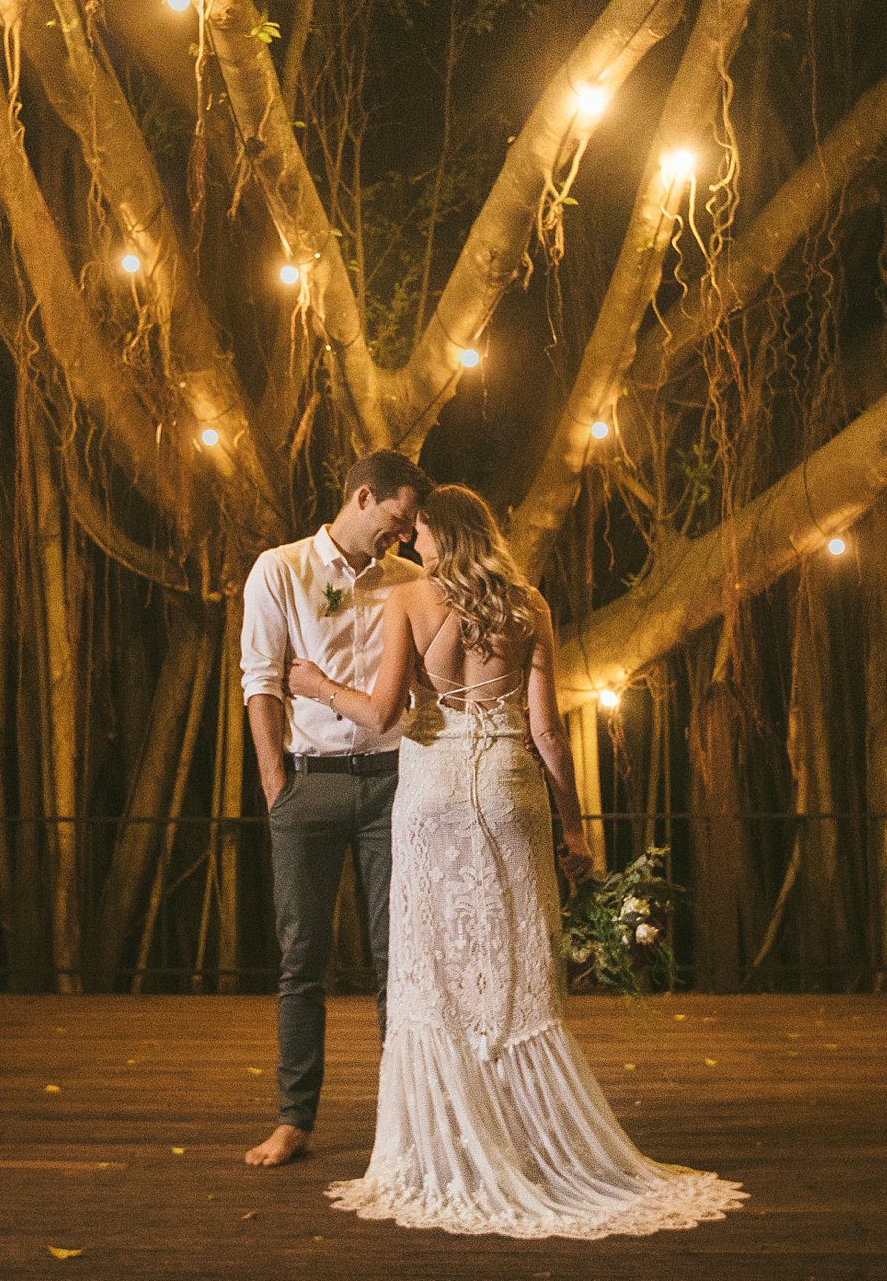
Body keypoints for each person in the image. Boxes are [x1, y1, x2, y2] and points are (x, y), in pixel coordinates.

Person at [285, 484, 744, 1238]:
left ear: (443, 534)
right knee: (514, 971)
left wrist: (312, 684)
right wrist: (575, 832)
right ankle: (533, 1143)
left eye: (421, 534)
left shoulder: (410, 599)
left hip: (431, 791)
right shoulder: (529, 603)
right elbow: (550, 733)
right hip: (507, 787)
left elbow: (381, 714)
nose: (411, 545)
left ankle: (453, 1146)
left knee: (434, 969)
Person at [236, 449, 433, 1169]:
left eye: (409, 526)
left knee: (397, 958)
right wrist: (274, 784)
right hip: (308, 782)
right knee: (301, 957)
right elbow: (260, 678)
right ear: (362, 497)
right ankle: (294, 1118)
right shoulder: (281, 569)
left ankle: (404, 1122)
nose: (403, 535)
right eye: (396, 519)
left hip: (393, 782)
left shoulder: (412, 580)